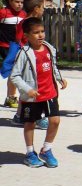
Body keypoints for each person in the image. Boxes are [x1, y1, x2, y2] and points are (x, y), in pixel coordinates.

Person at [10, 17, 67, 167]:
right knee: (30, 124)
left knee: (55, 121)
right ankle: (30, 153)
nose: (41, 35)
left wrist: (60, 78)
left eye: (42, 31)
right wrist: (27, 90)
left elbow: (52, 66)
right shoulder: (24, 53)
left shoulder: (49, 48)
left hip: (50, 93)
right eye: (36, 33)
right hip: (32, 97)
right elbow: (14, 76)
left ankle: (46, 149)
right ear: (27, 36)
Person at [9, 0, 49, 129]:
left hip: (31, 58)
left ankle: (19, 115)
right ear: (36, 9)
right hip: (29, 60)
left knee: (27, 90)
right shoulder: (28, 23)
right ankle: (36, 118)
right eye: (42, 7)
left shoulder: (27, 21)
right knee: (34, 89)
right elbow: (20, 39)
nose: (43, 10)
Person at [1, 0, 26, 108]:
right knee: (12, 72)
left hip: (16, 47)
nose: (19, 4)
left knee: (14, 72)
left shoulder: (23, 14)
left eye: (21, 2)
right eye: (17, 2)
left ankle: (10, 97)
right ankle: (11, 97)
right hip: (3, 46)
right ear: (10, 1)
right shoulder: (3, 13)